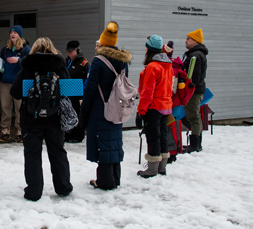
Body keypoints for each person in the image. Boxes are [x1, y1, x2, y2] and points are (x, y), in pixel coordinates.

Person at [10, 37, 73, 201]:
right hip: (55, 118)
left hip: (31, 119)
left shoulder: (28, 66)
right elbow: (70, 91)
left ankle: (34, 191)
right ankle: (63, 187)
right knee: (58, 152)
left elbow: (15, 92)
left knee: (32, 154)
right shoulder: (59, 66)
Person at [80, 22, 131, 190]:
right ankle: (115, 178)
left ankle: (105, 181)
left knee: (103, 142)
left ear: (103, 42)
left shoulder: (98, 61)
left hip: (100, 108)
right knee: (114, 141)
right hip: (117, 106)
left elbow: (90, 87)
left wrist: (84, 110)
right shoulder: (122, 61)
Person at [135, 35, 176, 177]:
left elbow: (147, 92)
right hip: (166, 106)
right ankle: (161, 167)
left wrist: (141, 111)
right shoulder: (168, 65)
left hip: (154, 107)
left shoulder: (152, 67)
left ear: (149, 49)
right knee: (163, 136)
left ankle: (152, 169)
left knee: (153, 137)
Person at [0, 25, 30, 143]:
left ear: (19, 35)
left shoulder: (26, 49)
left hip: (19, 82)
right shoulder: (5, 49)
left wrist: (19, 61)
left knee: (19, 108)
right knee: (5, 107)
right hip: (5, 82)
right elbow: (2, 64)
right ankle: (5, 131)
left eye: (15, 32)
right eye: (11, 32)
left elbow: (30, 64)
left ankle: (20, 131)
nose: (13, 34)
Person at [182, 28, 208, 153]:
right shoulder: (196, 54)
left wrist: (190, 86)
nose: (186, 41)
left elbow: (194, 76)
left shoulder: (195, 56)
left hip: (193, 91)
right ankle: (196, 143)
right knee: (194, 115)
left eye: (188, 39)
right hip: (196, 90)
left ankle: (195, 145)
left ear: (196, 41)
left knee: (194, 116)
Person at [64, 40, 89, 143]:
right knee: (67, 113)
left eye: (72, 51)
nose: (69, 53)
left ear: (77, 50)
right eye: (68, 51)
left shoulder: (83, 63)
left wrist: (83, 96)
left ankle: (78, 135)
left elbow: (87, 79)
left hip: (78, 95)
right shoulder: (66, 62)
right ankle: (67, 133)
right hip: (67, 93)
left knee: (77, 114)